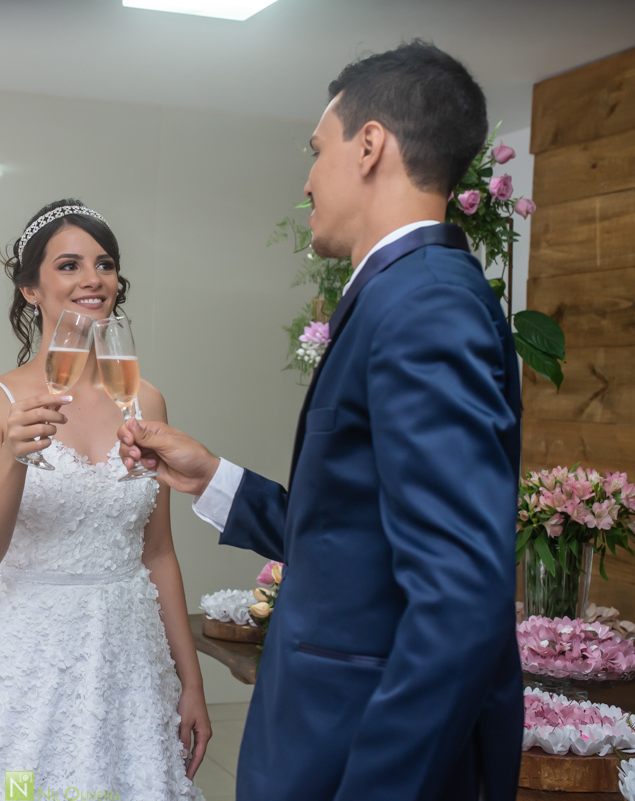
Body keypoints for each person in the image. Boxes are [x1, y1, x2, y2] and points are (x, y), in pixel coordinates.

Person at [118, 42, 523, 801]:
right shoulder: (403, 294)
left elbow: (460, 599)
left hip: (355, 753)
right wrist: (213, 478)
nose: (306, 180)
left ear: (369, 145)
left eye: (316, 149)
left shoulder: (425, 304)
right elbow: (356, 540)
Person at [0, 199, 211, 799]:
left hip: (128, 667)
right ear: (30, 289)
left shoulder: (146, 402)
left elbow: (159, 553)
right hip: (24, 669)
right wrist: (13, 455)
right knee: (26, 791)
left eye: (105, 264)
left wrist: (191, 683)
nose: (94, 279)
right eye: (69, 265)